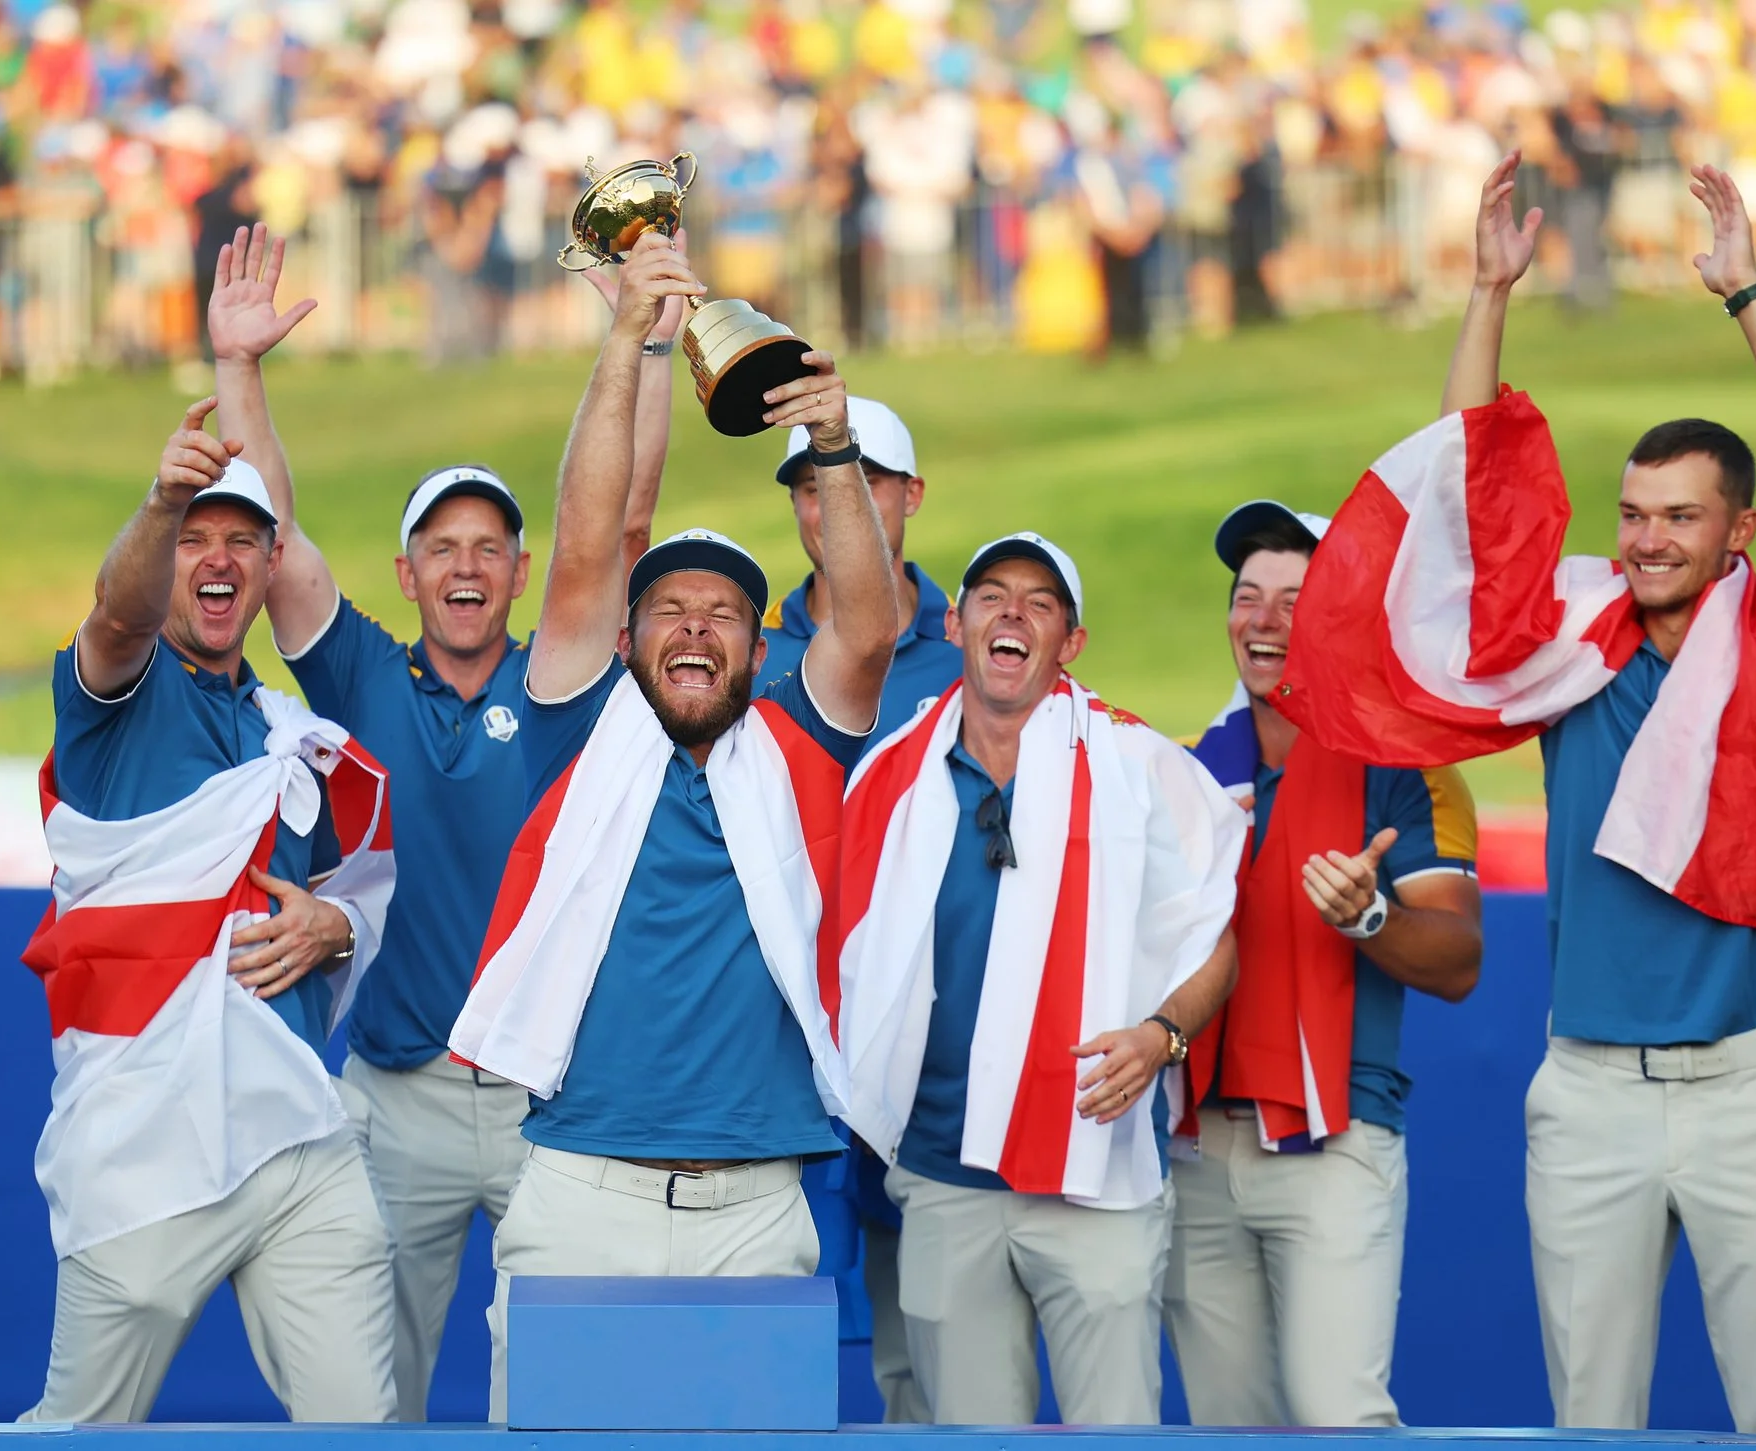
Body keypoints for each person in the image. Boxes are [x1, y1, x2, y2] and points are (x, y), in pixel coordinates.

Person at [1281, 154, 1756, 1436]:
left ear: (1737, 535)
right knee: (1589, 1425)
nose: (1647, 538)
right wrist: (1487, 294)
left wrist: (1745, 289)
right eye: (1633, 513)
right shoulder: (1574, 643)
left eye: (1679, 518)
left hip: (1754, 1093)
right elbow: (1468, 501)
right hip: (1587, 1091)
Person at [211, 219, 672, 1420]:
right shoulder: (362, 674)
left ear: (519, 572)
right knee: (371, 1394)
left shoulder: (562, 679)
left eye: (488, 548)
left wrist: (640, 346)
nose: (465, 566)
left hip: (545, 1100)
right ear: (406, 574)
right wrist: (239, 372)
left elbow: (605, 527)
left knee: (559, 1393)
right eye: (439, 548)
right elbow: (277, 540)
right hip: (394, 1095)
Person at [447, 230, 899, 1421]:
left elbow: (866, 620)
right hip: (578, 1189)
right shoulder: (580, 725)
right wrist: (625, 341)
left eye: (723, 614)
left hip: (756, 1211)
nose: (692, 628)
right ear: (625, 636)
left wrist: (834, 444)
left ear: (761, 646)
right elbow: (595, 535)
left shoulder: (802, 745)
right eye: (667, 611)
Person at [17, 391, 395, 1425]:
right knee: (76, 1430)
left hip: (294, 1141)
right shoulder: (114, 699)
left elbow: (353, 892)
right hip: (145, 1143)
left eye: (241, 539)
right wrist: (158, 500)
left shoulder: (293, 734)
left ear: (271, 568)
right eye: (192, 539)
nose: (215, 558)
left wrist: (337, 927)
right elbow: (116, 614)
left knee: (367, 1429)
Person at [837, 533, 1243, 1427]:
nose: (1012, 612)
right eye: (992, 594)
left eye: (1040, 601)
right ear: (955, 621)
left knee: (1115, 1436)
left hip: (1093, 1171)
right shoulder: (890, 777)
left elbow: (1215, 935)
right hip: (942, 1177)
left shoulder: (1144, 766)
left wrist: (1163, 1035)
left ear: (1072, 641)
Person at [1163, 501, 1484, 1428]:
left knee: (1337, 1418)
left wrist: (1372, 914)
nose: (1262, 620)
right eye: (1247, 597)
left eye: (1294, 599)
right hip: (1197, 1149)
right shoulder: (1191, 771)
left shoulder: (1405, 765)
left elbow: (1459, 957)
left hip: (1335, 1140)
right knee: (1228, 1432)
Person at [757, 393, 959, 1424]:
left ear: (911, 495)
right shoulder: (745, 650)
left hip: (924, 1037)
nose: (829, 501)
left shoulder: (975, 655)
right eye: (808, 485)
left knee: (920, 1345)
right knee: (778, 1332)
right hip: (781, 1036)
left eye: (860, 481)